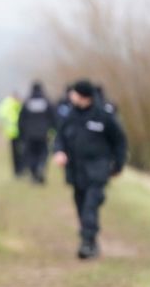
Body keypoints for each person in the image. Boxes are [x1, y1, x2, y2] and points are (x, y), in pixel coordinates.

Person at [52, 79, 128, 259]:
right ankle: (90, 239)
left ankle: (87, 243)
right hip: (75, 170)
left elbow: (119, 141)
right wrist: (59, 152)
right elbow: (59, 138)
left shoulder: (104, 116)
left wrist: (118, 164)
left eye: (74, 93)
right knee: (81, 205)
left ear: (84, 96)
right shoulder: (70, 115)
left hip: (97, 169)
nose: (71, 96)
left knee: (89, 206)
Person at [18, 81, 55, 184]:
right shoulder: (46, 101)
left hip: (29, 134)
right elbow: (53, 117)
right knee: (43, 153)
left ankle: (34, 174)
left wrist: (22, 134)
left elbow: (21, 119)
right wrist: (52, 129)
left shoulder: (27, 102)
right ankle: (41, 167)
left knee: (31, 154)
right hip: (43, 134)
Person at [0, 91, 24, 177]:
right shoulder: (11, 104)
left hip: (19, 133)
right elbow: (1, 113)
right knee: (16, 153)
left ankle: (20, 170)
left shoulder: (18, 105)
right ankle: (18, 171)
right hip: (14, 133)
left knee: (20, 153)